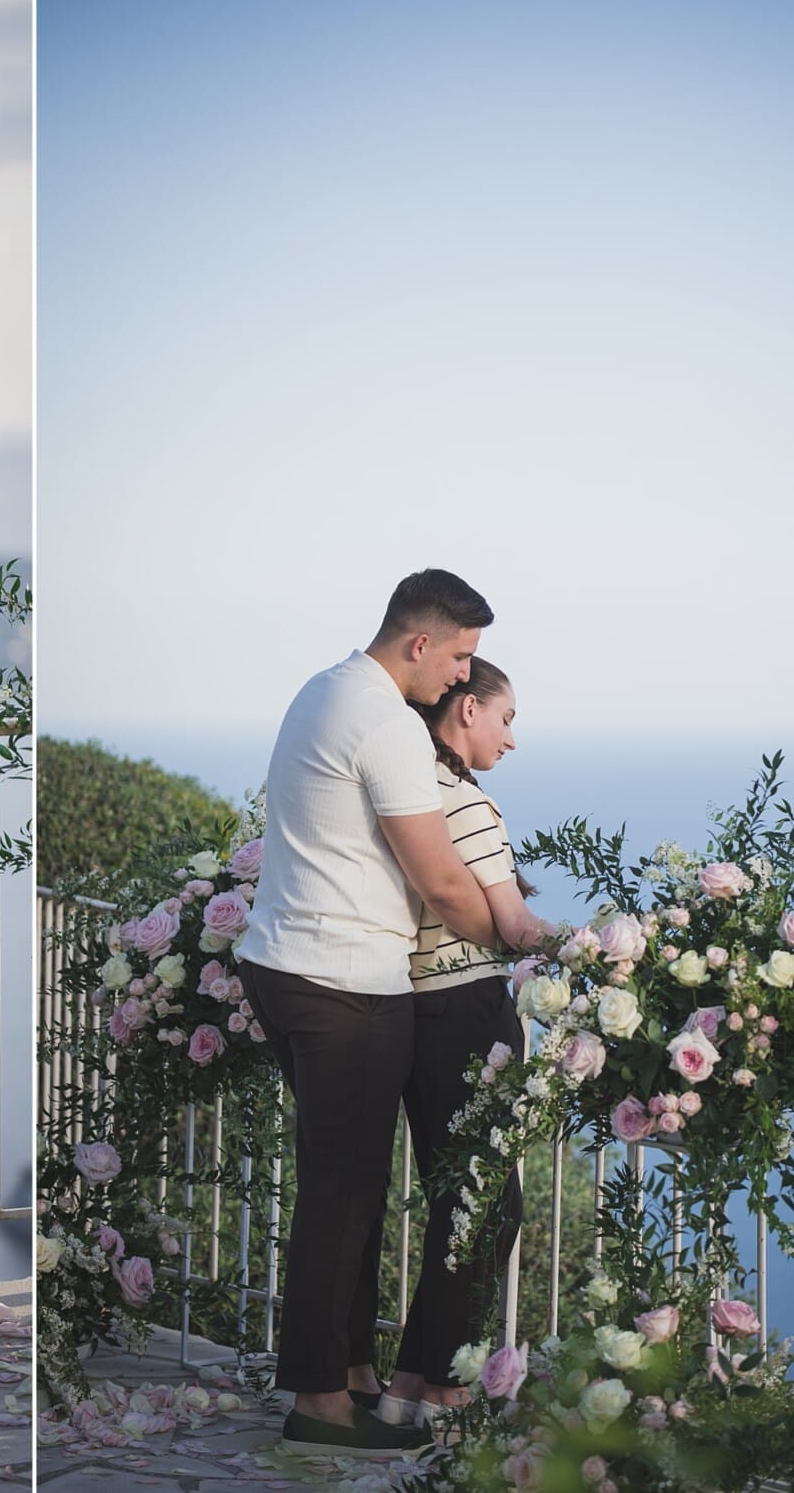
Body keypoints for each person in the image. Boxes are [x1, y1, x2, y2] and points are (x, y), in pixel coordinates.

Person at [237, 568, 515, 1458]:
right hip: (344, 983)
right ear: (420, 641)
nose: (464, 680)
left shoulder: (322, 689)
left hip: (285, 965)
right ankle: (319, 1401)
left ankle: (351, 1374)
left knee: (342, 1186)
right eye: (461, 657)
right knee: (341, 1196)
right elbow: (438, 878)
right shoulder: (388, 722)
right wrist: (510, 943)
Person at [374, 655, 549, 1438]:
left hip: (410, 1012)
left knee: (458, 1205)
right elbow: (514, 927)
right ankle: (441, 1392)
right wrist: (605, 949)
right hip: (468, 1011)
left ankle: (407, 1388)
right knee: (488, 1209)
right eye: (506, 718)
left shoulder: (409, 791)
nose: (511, 739)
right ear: (468, 708)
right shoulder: (468, 807)